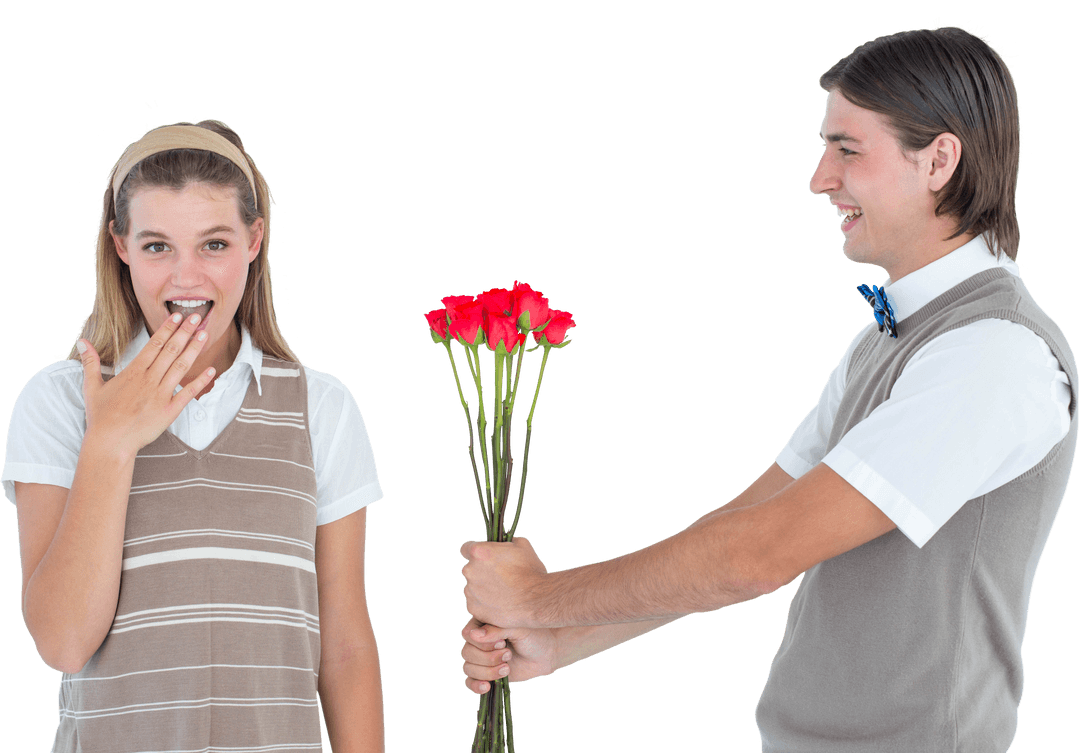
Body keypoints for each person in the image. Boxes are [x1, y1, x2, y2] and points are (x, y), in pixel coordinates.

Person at [459, 23, 1076, 751]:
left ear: (939, 160)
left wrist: (539, 598)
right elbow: (748, 518)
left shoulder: (994, 354)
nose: (820, 178)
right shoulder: (886, 340)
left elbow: (758, 555)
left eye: (848, 150)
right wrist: (562, 638)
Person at [2, 121, 386, 751]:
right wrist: (110, 442)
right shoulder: (59, 401)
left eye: (214, 244)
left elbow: (344, 647)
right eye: (157, 246)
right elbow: (63, 642)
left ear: (254, 241)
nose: (186, 279)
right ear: (120, 246)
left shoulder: (321, 407)